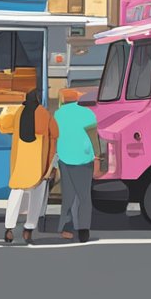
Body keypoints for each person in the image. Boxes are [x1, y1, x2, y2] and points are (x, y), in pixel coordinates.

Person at [0, 88, 57, 244]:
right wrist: (51, 166)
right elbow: (54, 139)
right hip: (38, 163)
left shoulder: (18, 113)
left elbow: (2, 125)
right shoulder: (45, 115)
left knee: (15, 194)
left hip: (20, 162)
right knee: (36, 197)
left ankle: (9, 229)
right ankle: (28, 229)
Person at [52, 87, 102, 243]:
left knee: (68, 194)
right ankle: (84, 230)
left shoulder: (57, 114)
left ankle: (66, 228)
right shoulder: (87, 113)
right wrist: (98, 160)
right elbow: (94, 139)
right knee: (84, 196)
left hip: (65, 158)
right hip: (84, 159)